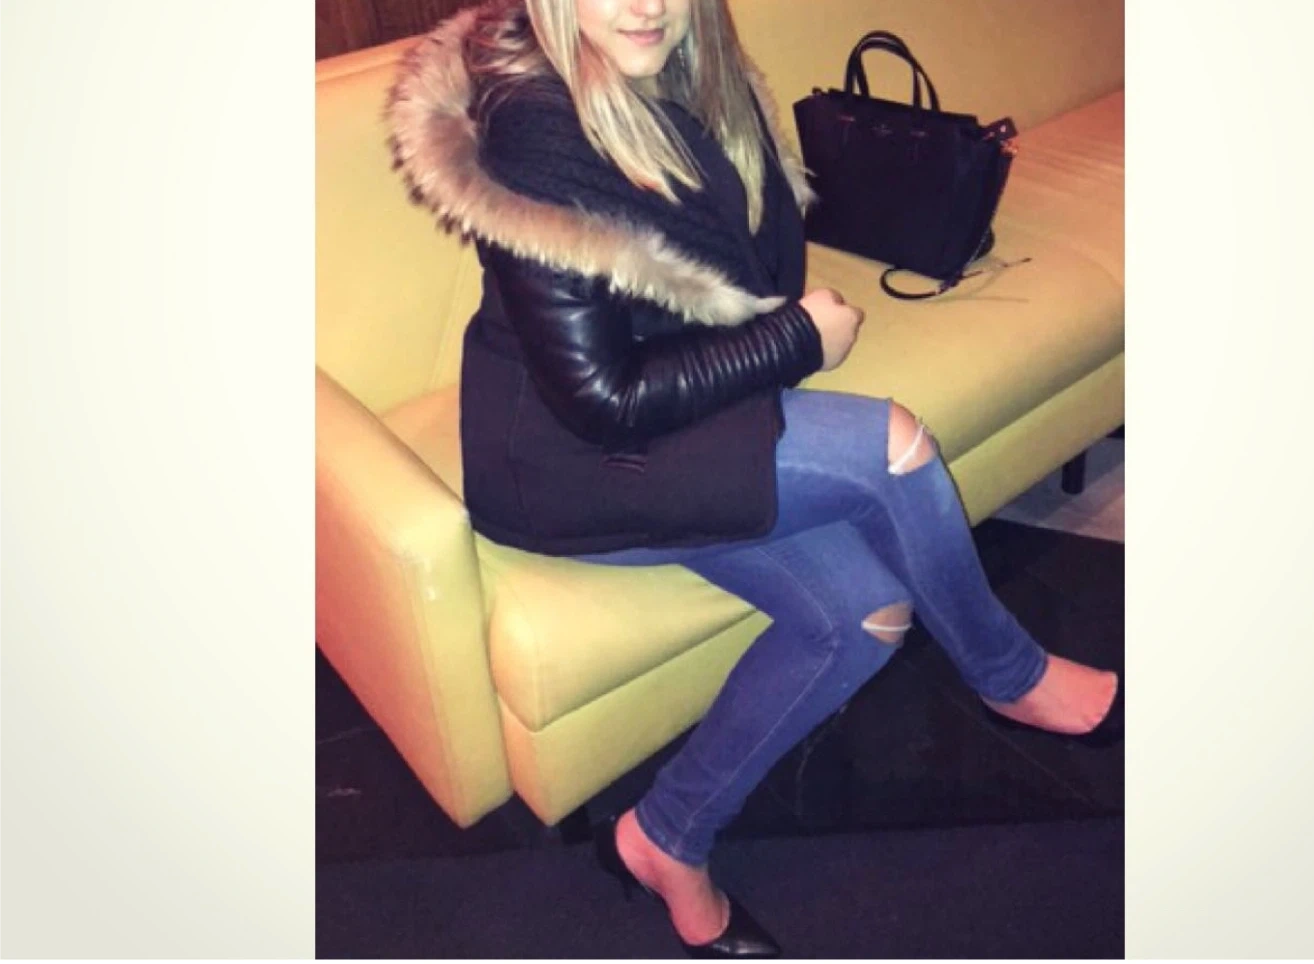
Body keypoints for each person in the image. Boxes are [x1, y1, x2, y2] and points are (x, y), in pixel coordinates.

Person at [387, 0, 1121, 956]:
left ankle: (663, 836)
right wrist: (797, 341)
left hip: (675, 412)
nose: (648, 5)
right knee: (893, 449)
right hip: (565, 457)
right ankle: (1009, 675)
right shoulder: (534, 129)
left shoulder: (692, 77)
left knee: (863, 614)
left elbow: (756, 270)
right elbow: (600, 399)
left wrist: (768, 277)